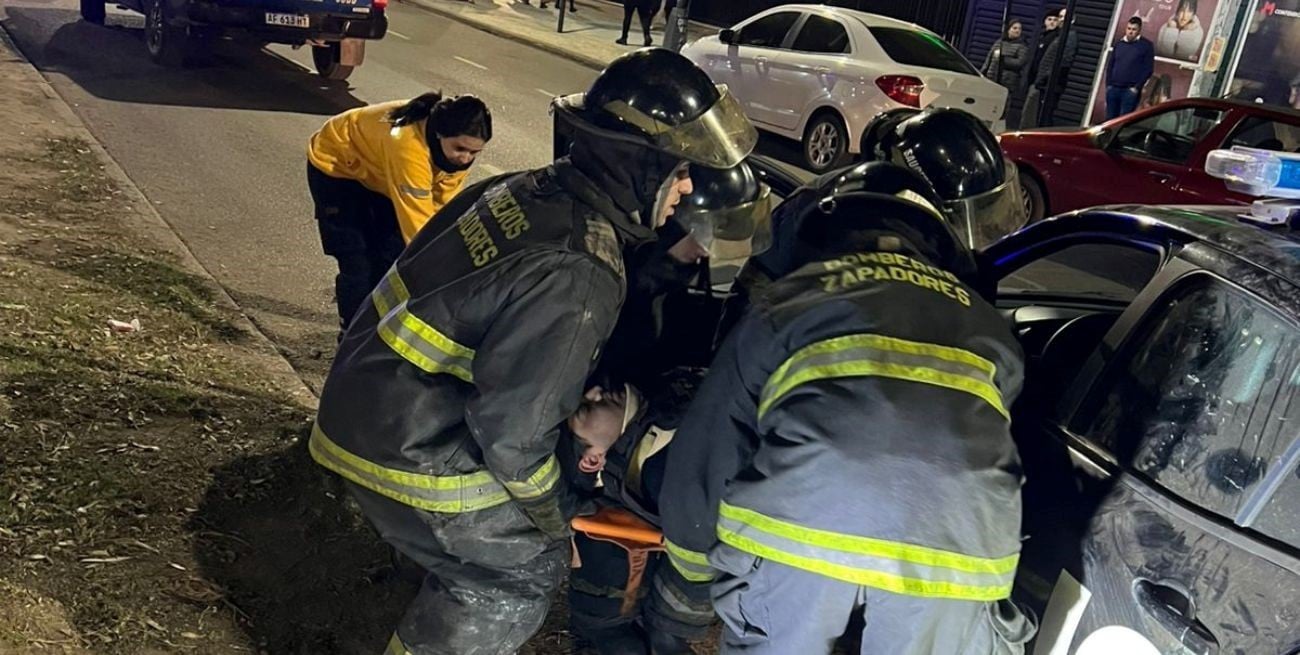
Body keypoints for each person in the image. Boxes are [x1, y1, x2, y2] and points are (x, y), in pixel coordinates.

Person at [308, 48, 758, 655]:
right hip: (405, 449)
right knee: (516, 576)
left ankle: (421, 572)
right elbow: (515, 440)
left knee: (484, 546)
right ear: (641, 165)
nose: (683, 190)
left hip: (362, 403)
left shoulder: (518, 189)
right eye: (679, 172)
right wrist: (558, 517)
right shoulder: (581, 270)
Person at [658, 161, 1035, 654]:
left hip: (803, 527)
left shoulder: (785, 305)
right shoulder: (987, 324)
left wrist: (688, 572)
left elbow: (711, 451)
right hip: (958, 549)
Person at [307, 93, 491, 334]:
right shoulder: (407, 145)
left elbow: (439, 208)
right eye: (460, 149)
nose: (465, 158)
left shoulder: (452, 152)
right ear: (438, 133)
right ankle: (351, 334)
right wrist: (444, 272)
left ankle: (374, 328)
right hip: (338, 168)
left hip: (380, 175)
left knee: (389, 256)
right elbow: (417, 226)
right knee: (357, 262)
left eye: (474, 153)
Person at [1024, 7, 1077, 128]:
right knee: (1038, 116)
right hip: (1044, 84)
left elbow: (1064, 62)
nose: (1061, 20)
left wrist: (1045, 77)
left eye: (1064, 17)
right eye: (1061, 16)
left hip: (1051, 85)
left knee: (1044, 118)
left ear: (1072, 20)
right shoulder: (1061, 35)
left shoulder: (1070, 37)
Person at [1106, 17, 1156, 120]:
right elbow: (1111, 65)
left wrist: (1136, 87)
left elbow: (1148, 69)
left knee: (1124, 121)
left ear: (1139, 30)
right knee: (1110, 120)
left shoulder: (1146, 46)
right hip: (1113, 88)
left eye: (1134, 29)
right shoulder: (1119, 44)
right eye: (1129, 28)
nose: (1130, 32)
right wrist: (1108, 85)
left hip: (1129, 91)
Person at [982, 20, 1030, 96]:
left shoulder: (1022, 46)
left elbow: (1020, 63)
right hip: (991, 78)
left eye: (1019, 29)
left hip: (1007, 82)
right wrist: (983, 72)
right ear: (1008, 30)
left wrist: (1004, 60)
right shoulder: (999, 42)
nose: (1017, 31)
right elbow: (989, 58)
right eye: (1015, 28)